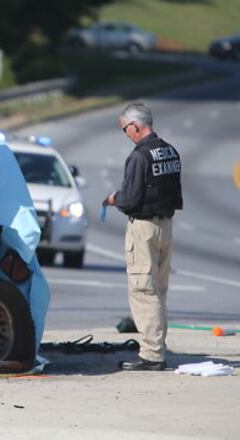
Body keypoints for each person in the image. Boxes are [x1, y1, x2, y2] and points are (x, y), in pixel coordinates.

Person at [104, 102, 183, 371]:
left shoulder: (139, 156)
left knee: (144, 291)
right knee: (158, 290)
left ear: (135, 126)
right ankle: (156, 347)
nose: (126, 134)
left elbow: (130, 199)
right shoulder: (170, 151)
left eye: (125, 129)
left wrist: (114, 199)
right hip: (165, 226)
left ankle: (152, 355)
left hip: (144, 229)